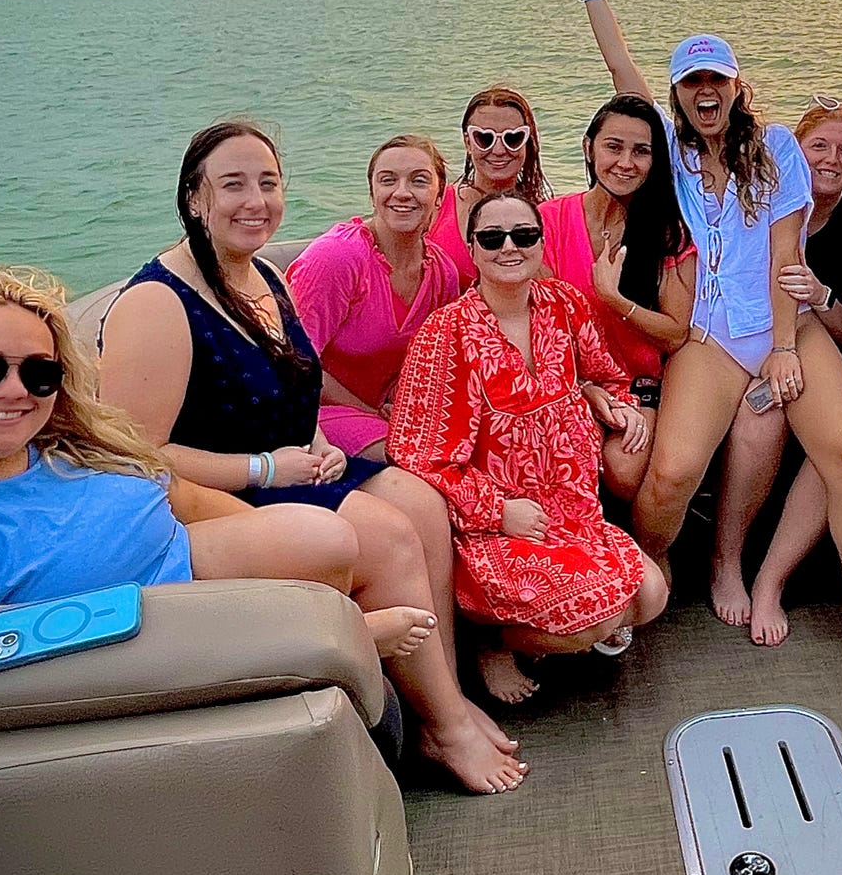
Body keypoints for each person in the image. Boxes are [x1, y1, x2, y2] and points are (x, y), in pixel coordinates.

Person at [0, 264, 527, 795]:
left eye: (39, 375)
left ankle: (421, 707)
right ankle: (357, 665)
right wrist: (319, 629)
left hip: (185, 576)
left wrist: (295, 553)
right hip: (150, 657)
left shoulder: (60, 449)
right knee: (344, 566)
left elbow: (180, 495)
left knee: (336, 535)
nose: (14, 392)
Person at [98, 122, 523, 772]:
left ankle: (444, 689)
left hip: (293, 468)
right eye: (233, 185)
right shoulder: (158, 302)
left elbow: (300, 381)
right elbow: (133, 457)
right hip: (217, 492)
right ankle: (443, 727)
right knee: (390, 536)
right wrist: (266, 466)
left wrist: (321, 441)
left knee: (423, 503)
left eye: (267, 183)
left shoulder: (265, 276)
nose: (255, 201)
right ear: (194, 199)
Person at [558, 0, 842, 677]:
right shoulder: (672, 152)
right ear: (679, 94)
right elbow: (624, 79)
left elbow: (784, 252)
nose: (705, 92)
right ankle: (641, 578)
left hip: (784, 327)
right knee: (673, 471)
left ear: (737, 86)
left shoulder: (775, 148)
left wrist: (783, 347)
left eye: (717, 79)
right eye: (692, 82)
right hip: (707, 335)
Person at [389, 193, 668, 705]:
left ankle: (545, 631)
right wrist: (499, 511)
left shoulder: (564, 303)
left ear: (541, 244)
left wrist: (617, 403)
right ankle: (490, 641)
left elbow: (607, 372)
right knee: (595, 621)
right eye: (492, 238)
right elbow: (417, 453)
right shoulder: (444, 334)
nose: (509, 247)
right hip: (498, 526)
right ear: (472, 249)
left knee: (651, 596)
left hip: (573, 512)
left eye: (524, 235)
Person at [734, 96, 842, 646]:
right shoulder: (759, 205)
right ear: (794, 151)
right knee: (760, 417)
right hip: (764, 348)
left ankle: (772, 579)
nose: (831, 160)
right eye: (819, 146)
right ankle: (728, 562)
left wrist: (819, 296)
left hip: (839, 358)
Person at [537, 95, 695, 501]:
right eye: (614, 147)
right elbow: (541, 325)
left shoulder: (666, 232)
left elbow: (675, 334)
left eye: (641, 151)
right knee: (565, 456)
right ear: (589, 147)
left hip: (638, 382)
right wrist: (587, 388)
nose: (626, 162)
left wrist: (614, 299)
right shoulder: (548, 220)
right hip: (569, 379)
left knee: (623, 470)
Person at [287, 135, 463, 462]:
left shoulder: (443, 274)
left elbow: (432, 365)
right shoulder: (338, 258)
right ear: (372, 194)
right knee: (417, 458)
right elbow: (293, 363)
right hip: (313, 412)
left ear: (440, 198)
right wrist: (370, 411)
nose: (402, 192)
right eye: (388, 180)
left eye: (419, 180)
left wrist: (405, 405)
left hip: (385, 415)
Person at [428, 86, 549, 288]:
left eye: (512, 138)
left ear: (527, 142)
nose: (499, 150)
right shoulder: (436, 205)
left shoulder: (546, 216)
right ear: (468, 142)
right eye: (484, 138)